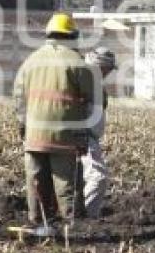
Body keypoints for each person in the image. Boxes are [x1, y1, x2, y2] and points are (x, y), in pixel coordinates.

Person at [13, 13, 95, 235]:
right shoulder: (77, 62)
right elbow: (96, 97)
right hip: (64, 135)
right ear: (72, 35)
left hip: (34, 135)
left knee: (36, 181)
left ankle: (38, 224)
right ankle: (70, 228)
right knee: (65, 182)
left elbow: (19, 99)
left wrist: (24, 127)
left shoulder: (31, 61)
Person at [82, 47, 117, 218]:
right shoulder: (84, 81)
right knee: (98, 177)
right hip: (84, 138)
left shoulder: (90, 80)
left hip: (88, 137)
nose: (108, 73)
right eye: (107, 69)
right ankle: (87, 217)